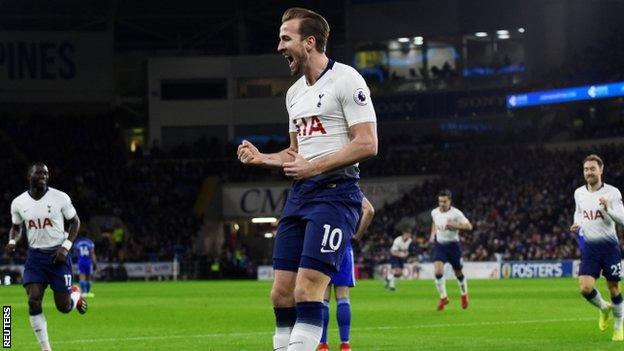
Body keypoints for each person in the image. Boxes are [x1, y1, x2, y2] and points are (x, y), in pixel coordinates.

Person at [237, 7, 377, 351]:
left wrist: (314, 168)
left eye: (286, 38)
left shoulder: (346, 79)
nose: (279, 47)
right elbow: (295, 153)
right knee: (281, 293)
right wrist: (263, 159)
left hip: (336, 194)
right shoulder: (293, 93)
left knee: (307, 288)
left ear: (310, 43)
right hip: (301, 195)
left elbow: (368, 143)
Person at [5, 162, 87, 351]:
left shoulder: (60, 197)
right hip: (35, 257)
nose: (43, 175)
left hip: (58, 255)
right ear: (29, 176)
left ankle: (75, 295)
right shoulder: (18, 203)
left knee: (63, 307)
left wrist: (66, 247)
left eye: (46, 173)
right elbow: (16, 228)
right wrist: (13, 241)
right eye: (39, 173)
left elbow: (75, 222)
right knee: (33, 299)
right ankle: (46, 348)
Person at [570, 154, 624, 341]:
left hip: (610, 248)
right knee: (585, 288)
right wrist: (576, 223)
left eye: (593, 169)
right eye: (586, 169)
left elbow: (623, 220)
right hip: (590, 248)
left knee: (614, 287)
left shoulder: (613, 193)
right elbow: (579, 213)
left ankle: (619, 326)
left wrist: (609, 209)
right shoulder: (579, 193)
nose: (589, 172)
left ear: (601, 170)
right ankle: (603, 307)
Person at [319, 197, 374, 351]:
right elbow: (369, 211)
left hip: (323, 244)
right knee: (342, 296)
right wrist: (357, 236)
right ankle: (345, 344)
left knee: (323, 297)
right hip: (344, 244)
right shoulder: (351, 188)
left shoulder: (321, 188)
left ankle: (323, 345)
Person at [429, 189, 473, 311]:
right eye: (440, 201)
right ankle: (443, 298)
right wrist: (432, 234)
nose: (442, 204)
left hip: (453, 246)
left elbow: (469, 226)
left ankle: (464, 295)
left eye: (444, 201)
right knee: (438, 271)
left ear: (450, 201)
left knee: (458, 273)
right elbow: (434, 222)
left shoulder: (456, 213)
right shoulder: (434, 212)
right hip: (440, 245)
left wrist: (455, 225)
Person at [385, 226, 412, 291]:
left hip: (401, 257)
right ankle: (392, 287)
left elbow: (406, 249)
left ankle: (388, 278)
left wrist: (406, 253)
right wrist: (401, 255)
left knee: (399, 274)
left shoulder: (410, 240)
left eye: (409, 234)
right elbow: (392, 251)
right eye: (407, 234)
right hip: (394, 256)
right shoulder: (398, 240)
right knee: (396, 271)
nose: (408, 235)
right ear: (404, 234)